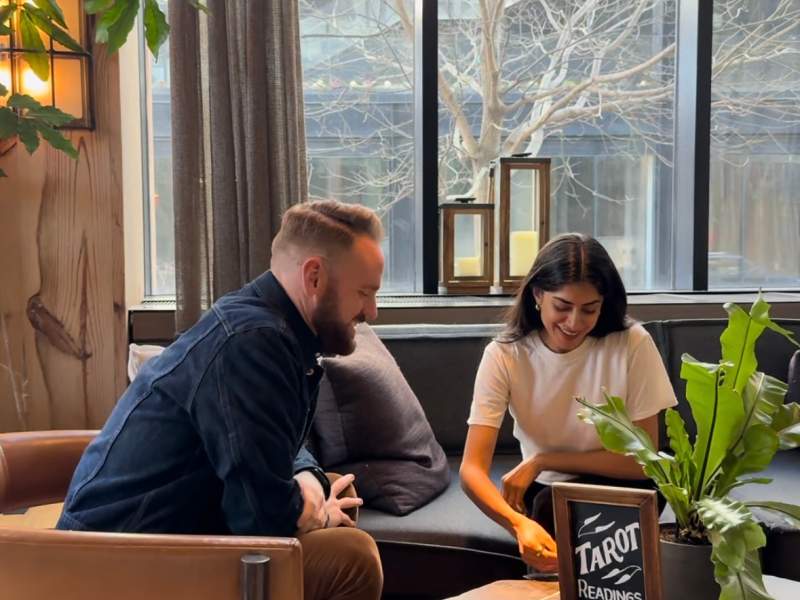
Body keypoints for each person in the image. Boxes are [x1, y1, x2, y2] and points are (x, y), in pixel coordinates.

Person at [57, 200, 385, 600]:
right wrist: (308, 504)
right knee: (353, 556)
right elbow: (263, 519)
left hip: (172, 532)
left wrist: (310, 483)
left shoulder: (275, 332)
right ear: (314, 276)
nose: (372, 311)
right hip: (116, 562)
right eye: (364, 293)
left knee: (337, 491)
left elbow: (279, 444)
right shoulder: (253, 343)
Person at [459, 233, 676, 573]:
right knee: (548, 506)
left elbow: (645, 462)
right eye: (562, 306)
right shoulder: (504, 356)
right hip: (547, 492)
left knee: (560, 511)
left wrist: (544, 459)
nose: (575, 323)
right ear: (538, 295)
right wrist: (517, 524)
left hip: (628, 486)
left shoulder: (633, 344)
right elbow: (471, 470)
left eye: (589, 309)